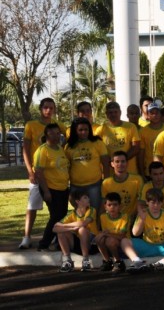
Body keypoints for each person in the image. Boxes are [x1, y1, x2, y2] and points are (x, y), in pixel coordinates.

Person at [20, 98, 66, 250]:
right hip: (38, 173)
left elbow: (68, 139)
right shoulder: (31, 125)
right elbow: (25, 149)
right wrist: (30, 171)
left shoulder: (59, 126)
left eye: (51, 108)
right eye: (45, 107)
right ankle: (27, 236)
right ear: (40, 108)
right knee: (32, 206)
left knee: (57, 212)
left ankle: (54, 238)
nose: (48, 110)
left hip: (56, 177)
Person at [34, 123, 70, 252]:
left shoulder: (60, 148)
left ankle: (56, 241)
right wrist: (46, 191)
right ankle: (44, 244)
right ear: (46, 135)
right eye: (52, 133)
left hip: (63, 188)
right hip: (50, 189)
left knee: (62, 215)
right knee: (56, 216)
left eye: (57, 133)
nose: (55, 136)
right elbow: (38, 172)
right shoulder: (43, 150)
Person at [65, 117, 109, 212]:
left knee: (95, 211)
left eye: (86, 129)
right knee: (80, 212)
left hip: (94, 185)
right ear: (75, 131)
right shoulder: (69, 146)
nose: (84, 132)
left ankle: (96, 227)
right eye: (80, 130)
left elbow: (106, 164)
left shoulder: (97, 143)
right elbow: (65, 167)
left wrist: (106, 182)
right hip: (75, 186)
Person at [53, 191, 98, 272]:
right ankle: (67, 261)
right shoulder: (72, 214)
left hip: (91, 245)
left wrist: (64, 225)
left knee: (82, 229)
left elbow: (83, 223)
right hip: (78, 244)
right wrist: (70, 229)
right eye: (85, 197)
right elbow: (55, 228)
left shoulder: (91, 210)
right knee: (61, 232)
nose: (88, 199)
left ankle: (86, 261)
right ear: (78, 201)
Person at [101, 151, 145, 220]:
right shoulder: (106, 183)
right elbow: (104, 205)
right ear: (112, 164)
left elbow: (141, 201)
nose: (120, 164)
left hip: (133, 218)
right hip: (114, 220)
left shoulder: (137, 180)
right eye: (117, 161)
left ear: (127, 163)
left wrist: (134, 217)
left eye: (123, 161)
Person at [101, 101, 141, 175]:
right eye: (110, 112)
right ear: (106, 114)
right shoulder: (101, 129)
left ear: (120, 112)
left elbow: (136, 148)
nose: (113, 114)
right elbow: (98, 150)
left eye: (115, 112)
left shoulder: (131, 127)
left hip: (130, 172)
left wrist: (121, 162)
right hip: (110, 173)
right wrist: (112, 163)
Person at [96, 192, 130, 273]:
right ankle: (107, 261)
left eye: (115, 205)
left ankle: (118, 262)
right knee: (99, 239)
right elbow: (103, 235)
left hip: (124, 245)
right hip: (110, 243)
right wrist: (102, 235)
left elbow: (122, 236)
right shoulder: (103, 217)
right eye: (109, 205)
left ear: (120, 206)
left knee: (110, 240)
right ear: (105, 207)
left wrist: (106, 234)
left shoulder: (125, 217)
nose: (112, 207)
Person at [137, 100, 164, 180]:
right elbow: (141, 154)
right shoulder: (143, 131)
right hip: (150, 172)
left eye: (157, 113)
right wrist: (142, 173)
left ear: (160, 114)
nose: (155, 115)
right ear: (148, 115)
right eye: (152, 113)